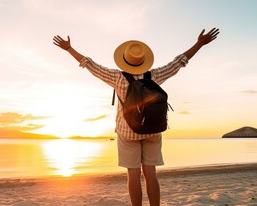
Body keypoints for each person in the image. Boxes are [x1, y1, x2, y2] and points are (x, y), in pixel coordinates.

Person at [52, 28, 219, 206]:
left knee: (133, 174)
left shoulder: (117, 77)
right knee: (150, 173)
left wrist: (69, 49)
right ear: (143, 61)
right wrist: (199, 44)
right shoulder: (154, 76)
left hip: (128, 132)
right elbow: (179, 62)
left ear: (124, 60)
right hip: (153, 131)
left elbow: (90, 65)